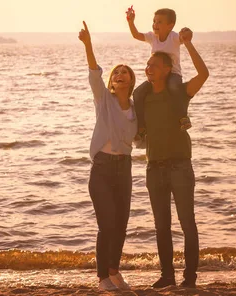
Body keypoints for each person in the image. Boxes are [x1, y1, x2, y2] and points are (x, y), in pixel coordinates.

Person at [141, 29, 209, 289]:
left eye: (154, 66)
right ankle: (167, 275)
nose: (148, 68)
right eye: (147, 65)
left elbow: (204, 75)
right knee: (161, 226)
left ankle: (189, 278)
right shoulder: (143, 96)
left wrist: (189, 44)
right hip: (153, 167)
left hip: (180, 165)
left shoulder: (180, 92)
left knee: (187, 223)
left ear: (168, 69)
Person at [78, 21, 137, 292]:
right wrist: (89, 45)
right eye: (117, 73)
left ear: (131, 80)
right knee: (107, 223)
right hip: (101, 168)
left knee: (122, 223)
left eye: (125, 72)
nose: (120, 74)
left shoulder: (136, 109)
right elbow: (94, 73)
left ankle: (115, 271)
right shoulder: (103, 99)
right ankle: (102, 276)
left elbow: (142, 138)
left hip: (124, 168)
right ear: (113, 81)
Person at [126, 6, 191, 136]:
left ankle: (183, 117)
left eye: (160, 22)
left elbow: (186, 36)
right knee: (138, 93)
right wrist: (130, 21)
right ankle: (141, 126)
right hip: (155, 76)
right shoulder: (152, 37)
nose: (155, 24)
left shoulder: (174, 37)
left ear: (170, 25)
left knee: (174, 88)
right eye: (154, 21)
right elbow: (136, 35)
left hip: (173, 74)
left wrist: (188, 32)